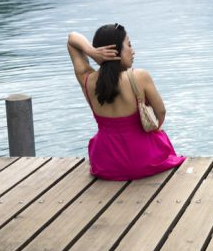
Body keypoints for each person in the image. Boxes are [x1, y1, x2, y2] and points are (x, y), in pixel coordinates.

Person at [67, 24, 184, 180]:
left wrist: (92, 52)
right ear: (115, 51)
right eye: (129, 45)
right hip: (144, 159)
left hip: (105, 163)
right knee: (159, 137)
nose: (133, 51)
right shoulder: (139, 76)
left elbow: (72, 39)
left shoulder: (87, 80)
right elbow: (161, 113)